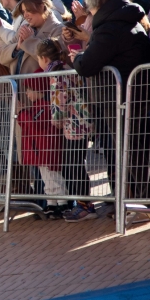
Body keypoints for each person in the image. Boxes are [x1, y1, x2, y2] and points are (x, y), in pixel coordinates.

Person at [69, 0, 150, 201]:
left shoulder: (109, 28)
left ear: (99, 5)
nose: (89, 12)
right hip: (133, 94)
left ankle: (146, 200)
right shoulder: (127, 20)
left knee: (131, 149)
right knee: (141, 144)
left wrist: (76, 58)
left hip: (119, 97)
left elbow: (87, 64)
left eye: (90, 8)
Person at [37, 38, 96, 221]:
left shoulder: (56, 74)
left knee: (73, 166)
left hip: (73, 124)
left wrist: (56, 120)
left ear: (43, 58)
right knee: (76, 164)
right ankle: (83, 204)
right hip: (82, 120)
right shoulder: (67, 67)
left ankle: (84, 206)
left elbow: (60, 101)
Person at [18, 72, 69, 221]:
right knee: (48, 179)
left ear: (39, 90)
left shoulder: (44, 107)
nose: (26, 93)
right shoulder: (38, 106)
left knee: (53, 178)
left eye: (29, 89)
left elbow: (34, 125)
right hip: (40, 150)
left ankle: (63, 204)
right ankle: (52, 204)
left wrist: (21, 113)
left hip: (45, 150)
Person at [0, 0, 67, 75]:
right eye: (23, 11)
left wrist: (29, 41)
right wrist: (17, 47)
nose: (25, 15)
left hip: (41, 87)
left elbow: (53, 61)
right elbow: (1, 56)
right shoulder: (25, 28)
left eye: (28, 10)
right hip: (18, 86)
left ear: (41, 7)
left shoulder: (59, 29)